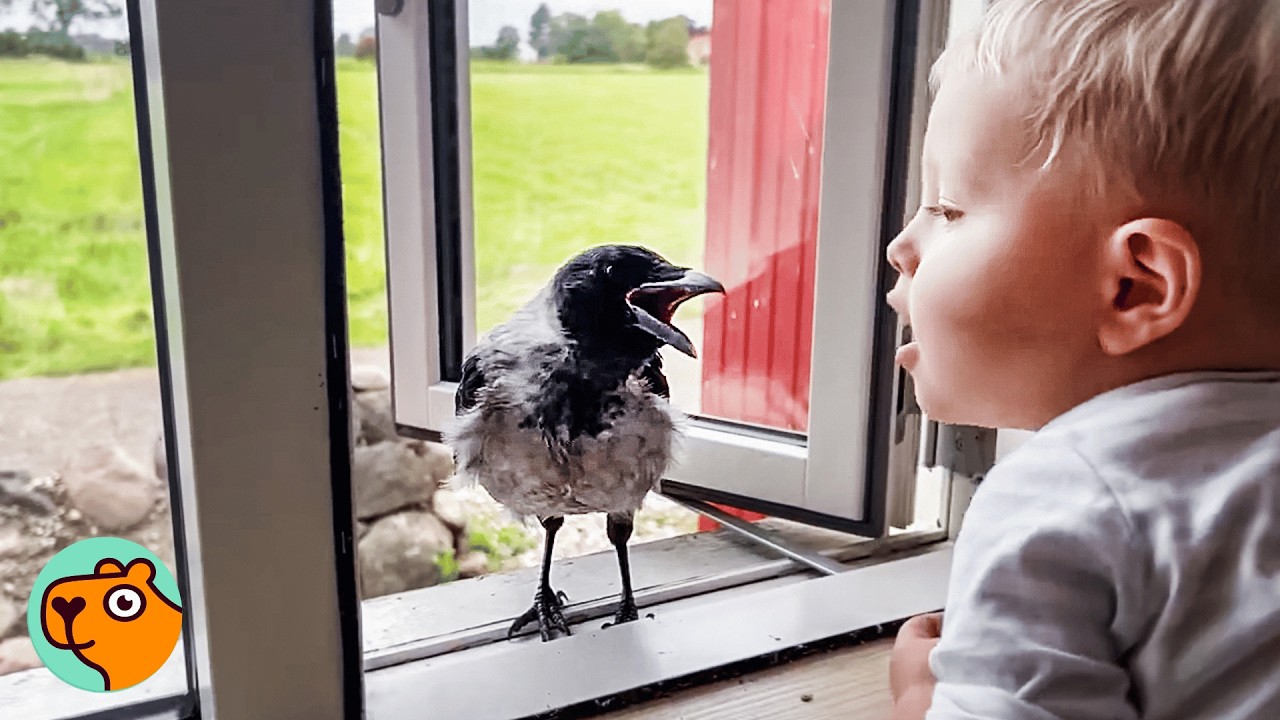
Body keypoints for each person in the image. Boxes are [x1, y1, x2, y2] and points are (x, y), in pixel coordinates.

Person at [882, 1, 1280, 718]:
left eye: (947, 209)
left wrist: (918, 699)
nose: (901, 246)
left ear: (1137, 286)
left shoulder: (1065, 499)